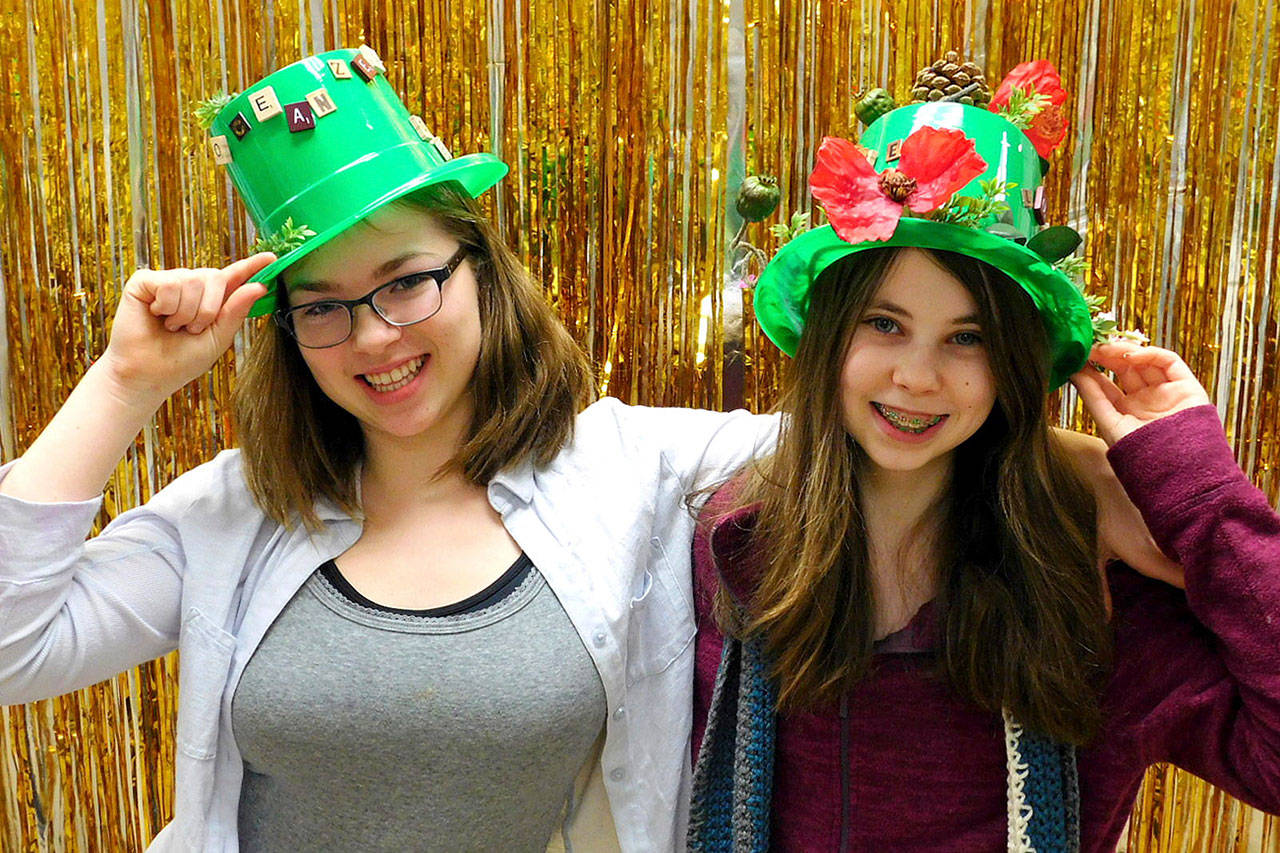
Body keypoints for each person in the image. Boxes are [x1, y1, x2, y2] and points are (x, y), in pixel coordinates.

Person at [0, 49, 1168, 851]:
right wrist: (125, 382)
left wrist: (1081, 460)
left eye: (407, 281)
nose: (373, 334)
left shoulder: (630, 469)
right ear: (288, 327)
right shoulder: (239, 511)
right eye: (323, 304)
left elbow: (883, 431)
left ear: (480, 273)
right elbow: (14, 645)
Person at [687, 76, 1280, 851]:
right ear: (829, 333)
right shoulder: (740, 543)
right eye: (885, 323)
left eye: (966, 338)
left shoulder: (1088, 578)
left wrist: (1195, 489)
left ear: (1013, 363)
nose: (918, 376)